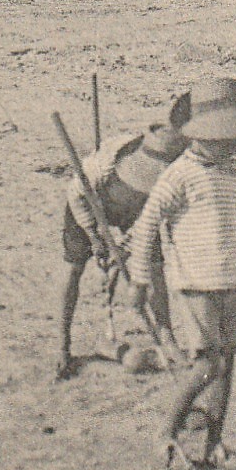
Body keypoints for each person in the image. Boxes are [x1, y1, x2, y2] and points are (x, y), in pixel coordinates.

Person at [127, 77, 236, 470]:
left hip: (229, 282)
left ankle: (213, 444)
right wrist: (140, 281)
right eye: (223, 136)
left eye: (234, 137)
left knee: (227, 364)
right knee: (206, 367)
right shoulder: (178, 176)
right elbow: (145, 226)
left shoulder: (231, 177)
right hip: (194, 286)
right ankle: (164, 433)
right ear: (200, 134)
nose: (231, 144)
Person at [59, 109, 189, 379]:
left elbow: (149, 224)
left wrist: (124, 247)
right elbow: (76, 193)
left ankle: (166, 337)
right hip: (90, 205)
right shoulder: (106, 162)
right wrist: (96, 238)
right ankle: (63, 345)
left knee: (154, 267)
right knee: (73, 270)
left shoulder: (173, 182)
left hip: (138, 214)